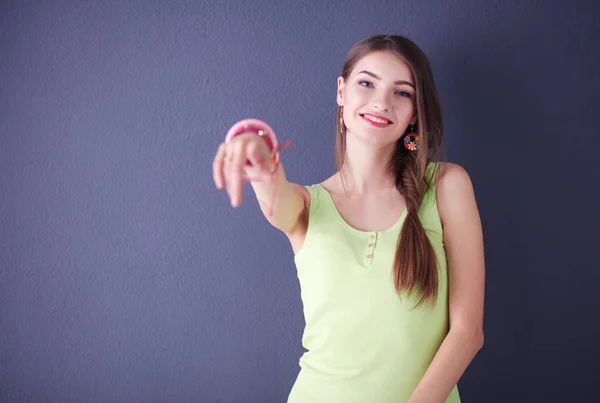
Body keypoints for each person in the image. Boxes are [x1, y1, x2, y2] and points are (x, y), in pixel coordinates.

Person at [212, 34, 485, 403]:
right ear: (342, 91)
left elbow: (468, 331)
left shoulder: (448, 185)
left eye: (401, 92)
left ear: (415, 112)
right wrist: (258, 154)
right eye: (366, 83)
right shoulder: (308, 205)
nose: (381, 101)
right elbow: (276, 198)